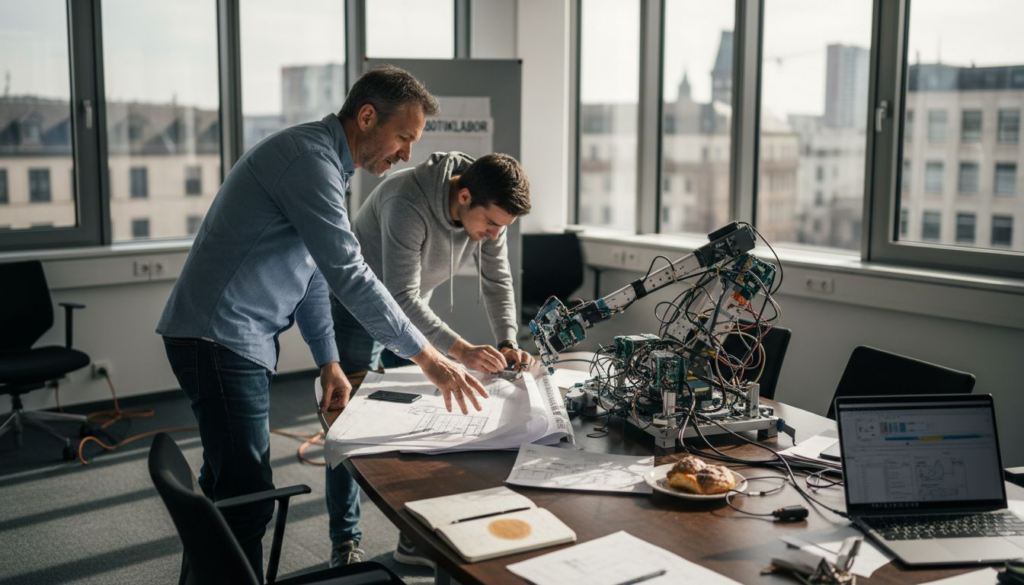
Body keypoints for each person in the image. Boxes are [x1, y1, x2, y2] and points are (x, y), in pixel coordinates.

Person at [156, 65, 489, 582]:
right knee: (247, 504)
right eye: (403, 137)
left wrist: (329, 361)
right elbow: (350, 273)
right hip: (218, 339)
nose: (407, 154)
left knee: (225, 495)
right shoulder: (309, 161)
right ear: (367, 116)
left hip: (222, 338)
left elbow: (314, 276)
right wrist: (430, 358)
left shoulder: (326, 164)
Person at [327, 150, 533, 568]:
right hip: (357, 309)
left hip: (411, 309)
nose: (495, 234)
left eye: (502, 227)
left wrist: (507, 340)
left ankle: (410, 538)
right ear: (463, 196)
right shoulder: (407, 200)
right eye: (491, 224)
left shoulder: (493, 209)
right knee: (346, 425)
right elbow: (397, 297)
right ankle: (344, 543)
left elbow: (497, 278)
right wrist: (460, 350)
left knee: (419, 418)